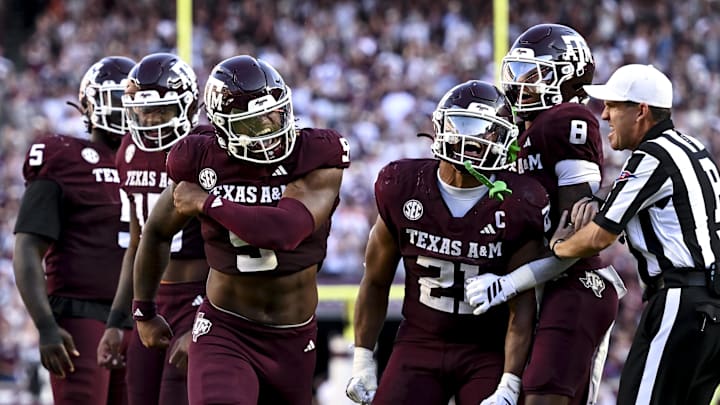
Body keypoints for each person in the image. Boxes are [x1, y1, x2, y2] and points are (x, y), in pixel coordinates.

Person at [131, 55, 351, 405]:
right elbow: (156, 231)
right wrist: (143, 309)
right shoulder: (201, 157)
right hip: (226, 329)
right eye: (254, 123)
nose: (270, 129)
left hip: (293, 338)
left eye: (274, 114)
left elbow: (286, 231)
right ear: (223, 127)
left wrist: (208, 203)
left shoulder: (315, 154)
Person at [346, 80, 546, 405]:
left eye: (486, 131)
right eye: (464, 126)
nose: (472, 140)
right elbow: (375, 280)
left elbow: (521, 306)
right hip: (419, 341)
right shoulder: (403, 185)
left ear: (504, 138)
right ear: (441, 127)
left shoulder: (520, 201)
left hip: (487, 349)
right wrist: (363, 360)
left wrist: (509, 382)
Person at [465, 24, 626, 405]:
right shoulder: (521, 132)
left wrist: (510, 282)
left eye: (534, 76)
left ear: (570, 79)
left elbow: (574, 238)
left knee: (543, 395)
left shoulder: (567, 118)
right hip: (531, 287)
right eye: (518, 74)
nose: (521, 86)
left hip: (572, 283)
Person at [549, 63, 720, 405]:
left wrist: (558, 246)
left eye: (613, 106)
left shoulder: (652, 155)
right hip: (708, 306)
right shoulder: (691, 147)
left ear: (641, 111)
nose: (604, 115)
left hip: (680, 300)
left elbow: (600, 236)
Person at [13, 55, 136, 405]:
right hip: (82, 316)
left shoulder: (155, 163)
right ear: (90, 106)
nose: (126, 111)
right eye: (117, 100)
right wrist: (46, 325)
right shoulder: (64, 156)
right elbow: (27, 247)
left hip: (140, 320)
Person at [95, 53, 209, 405]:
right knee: (139, 396)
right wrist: (117, 320)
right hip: (150, 299)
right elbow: (136, 244)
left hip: (199, 297)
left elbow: (228, 251)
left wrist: (210, 317)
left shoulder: (207, 149)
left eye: (162, 110)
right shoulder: (128, 151)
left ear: (189, 108)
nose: (152, 121)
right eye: (145, 111)